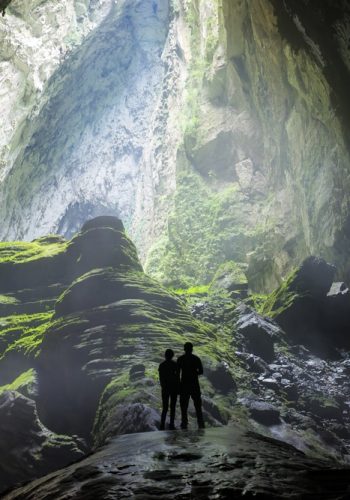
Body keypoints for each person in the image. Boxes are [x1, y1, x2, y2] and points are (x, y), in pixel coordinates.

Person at [177, 342, 205, 429]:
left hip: (184, 384)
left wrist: (178, 386)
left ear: (184, 349)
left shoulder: (180, 359)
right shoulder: (196, 359)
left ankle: (184, 423)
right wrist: (194, 373)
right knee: (197, 406)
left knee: (183, 406)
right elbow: (201, 371)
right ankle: (201, 424)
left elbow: (177, 373)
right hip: (194, 384)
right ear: (192, 349)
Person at [158, 348, 179, 430]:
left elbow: (161, 378)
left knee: (165, 407)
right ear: (172, 355)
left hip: (165, 389)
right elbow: (177, 377)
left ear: (165, 355)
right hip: (173, 388)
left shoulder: (162, 365)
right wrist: (178, 388)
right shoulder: (175, 364)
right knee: (172, 407)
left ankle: (162, 425)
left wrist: (163, 386)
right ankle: (171, 424)